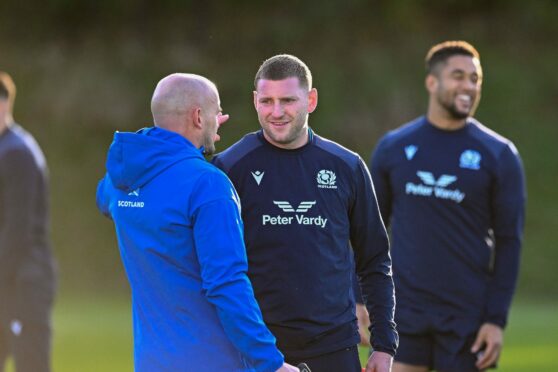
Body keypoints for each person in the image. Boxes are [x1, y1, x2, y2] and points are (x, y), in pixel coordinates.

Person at [96, 73, 299, 372]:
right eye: (216, 112)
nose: (220, 119)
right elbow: (226, 284)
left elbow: (107, 199)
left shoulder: (120, 181)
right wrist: (269, 361)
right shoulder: (208, 185)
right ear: (198, 116)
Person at [213, 54, 398, 372]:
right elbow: (213, 267)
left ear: (311, 100)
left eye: (288, 100)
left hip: (334, 347)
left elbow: (375, 260)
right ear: (255, 101)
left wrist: (383, 344)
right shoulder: (230, 167)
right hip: (256, 350)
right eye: (267, 101)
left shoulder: (347, 166)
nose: (276, 112)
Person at [369, 41, 526, 372]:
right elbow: (369, 231)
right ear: (432, 82)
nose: (468, 85)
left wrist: (496, 320)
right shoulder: (393, 148)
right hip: (403, 313)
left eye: (475, 78)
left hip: (467, 319)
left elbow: (510, 243)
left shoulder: (499, 155)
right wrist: (357, 296)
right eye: (458, 76)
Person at [0, 71, 56, 372]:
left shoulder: (16, 153)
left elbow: (17, 232)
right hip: (7, 278)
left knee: (31, 366)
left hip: (25, 281)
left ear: (4, 104)